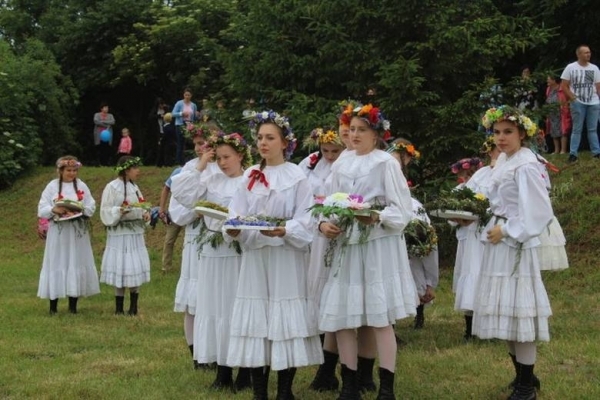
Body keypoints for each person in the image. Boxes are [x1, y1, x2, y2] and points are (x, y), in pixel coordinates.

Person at [318, 104, 418, 399]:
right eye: (352, 129)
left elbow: (402, 211)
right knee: (345, 315)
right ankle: (349, 385)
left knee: (378, 317)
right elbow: (329, 201)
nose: (355, 134)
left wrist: (376, 217)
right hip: (347, 245)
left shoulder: (385, 163)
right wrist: (324, 223)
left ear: (376, 134)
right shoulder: (341, 163)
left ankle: (386, 387)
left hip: (376, 247)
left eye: (362, 129)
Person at [224, 110, 323, 400]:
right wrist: (233, 229)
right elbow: (236, 212)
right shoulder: (250, 176)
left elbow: (308, 218)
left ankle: (284, 391)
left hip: (285, 258)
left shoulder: (297, 177)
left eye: (270, 138)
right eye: (260, 138)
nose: (263, 143)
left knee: (283, 318)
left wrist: (286, 230)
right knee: (258, 319)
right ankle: (259, 393)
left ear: (284, 142)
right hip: (256, 258)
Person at [477, 106, 554, 399]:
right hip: (499, 241)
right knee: (506, 311)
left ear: (522, 133)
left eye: (508, 132)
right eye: (496, 132)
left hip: (515, 242)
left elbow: (539, 211)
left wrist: (508, 230)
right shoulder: (506, 161)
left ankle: (525, 386)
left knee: (520, 313)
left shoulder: (526, 164)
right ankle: (525, 376)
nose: (501, 138)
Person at [172, 132, 253, 391]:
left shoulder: (250, 179)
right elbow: (182, 194)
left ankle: (245, 371)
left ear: (240, 155)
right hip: (212, 252)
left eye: (227, 157)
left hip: (238, 251)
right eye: (218, 157)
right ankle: (222, 371)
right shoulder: (210, 177)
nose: (223, 162)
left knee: (236, 309)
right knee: (215, 307)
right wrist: (201, 165)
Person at [169, 129, 219, 369]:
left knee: (214, 295)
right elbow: (177, 213)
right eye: (198, 144)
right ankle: (196, 353)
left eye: (206, 143)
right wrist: (198, 211)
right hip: (195, 235)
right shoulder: (188, 170)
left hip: (218, 238)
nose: (202, 148)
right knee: (194, 297)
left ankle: (216, 350)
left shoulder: (225, 167)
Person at [37, 156, 99, 314]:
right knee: (57, 262)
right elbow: (42, 207)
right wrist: (54, 209)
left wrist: (81, 210)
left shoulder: (81, 185)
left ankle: (73, 306)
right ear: (61, 171)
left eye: (74, 170)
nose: (72, 173)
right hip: (59, 232)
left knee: (75, 261)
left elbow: (91, 204)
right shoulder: (52, 186)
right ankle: (53, 307)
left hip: (76, 231)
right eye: (68, 170)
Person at [100, 156, 151, 316]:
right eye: (135, 168)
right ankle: (119, 307)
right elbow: (105, 210)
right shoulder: (112, 187)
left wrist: (145, 214)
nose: (138, 171)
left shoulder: (134, 187)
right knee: (121, 264)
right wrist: (118, 211)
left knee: (134, 264)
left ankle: (134, 306)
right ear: (127, 170)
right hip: (119, 234)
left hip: (134, 233)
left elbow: (141, 204)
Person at [560, 44, 600, 162]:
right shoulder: (570, 67)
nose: (588, 54)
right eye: (585, 52)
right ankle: (573, 154)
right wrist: (572, 98)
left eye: (589, 52)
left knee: (592, 129)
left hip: (593, 102)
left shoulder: (594, 68)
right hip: (578, 102)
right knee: (577, 128)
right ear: (579, 54)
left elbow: (598, 86)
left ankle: (596, 152)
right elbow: (564, 85)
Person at [545, 76, 571, 154]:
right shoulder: (548, 89)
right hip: (552, 113)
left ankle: (563, 150)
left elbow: (567, 98)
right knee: (553, 131)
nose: (547, 80)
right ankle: (556, 150)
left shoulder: (562, 88)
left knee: (563, 131)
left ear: (554, 80)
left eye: (549, 79)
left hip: (562, 112)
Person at [172, 88, 198, 165]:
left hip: (190, 125)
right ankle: (179, 161)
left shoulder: (193, 105)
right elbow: (173, 113)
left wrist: (197, 115)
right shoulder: (179, 103)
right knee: (180, 143)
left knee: (190, 143)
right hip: (180, 124)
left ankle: (190, 160)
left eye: (188, 95)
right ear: (183, 95)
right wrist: (181, 114)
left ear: (191, 96)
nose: (187, 96)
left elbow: (194, 117)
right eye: (185, 95)